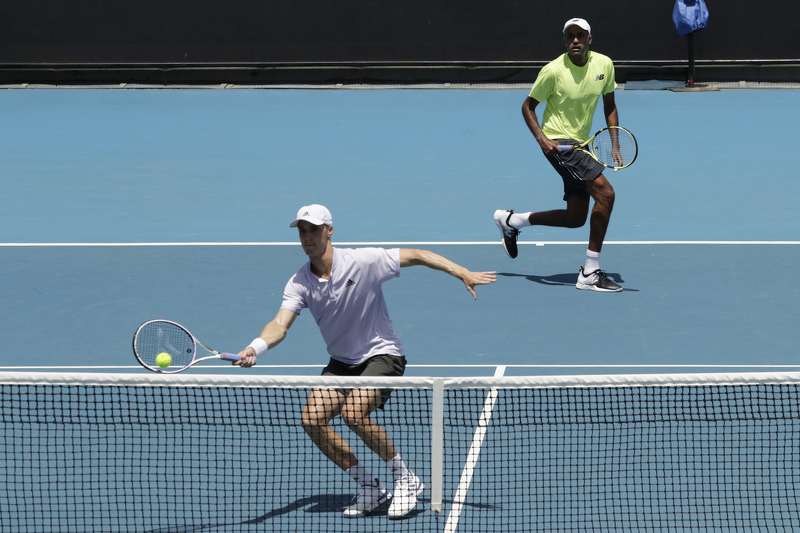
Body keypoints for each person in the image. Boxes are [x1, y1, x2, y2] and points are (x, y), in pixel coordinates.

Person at [235, 204, 497, 519]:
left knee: (353, 413)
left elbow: (416, 254)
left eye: (313, 230)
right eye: (302, 231)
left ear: (329, 231)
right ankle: (370, 486)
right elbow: (280, 324)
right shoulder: (299, 282)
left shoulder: (361, 261)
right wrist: (256, 347)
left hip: (382, 353)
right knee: (312, 420)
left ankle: (407, 480)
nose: (307, 237)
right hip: (341, 362)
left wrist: (461, 272)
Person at [494, 17, 623, 292]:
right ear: (565, 41)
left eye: (580, 35)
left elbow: (609, 104)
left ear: (590, 39)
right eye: (570, 36)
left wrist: (615, 143)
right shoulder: (553, 71)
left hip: (583, 145)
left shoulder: (605, 65)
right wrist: (542, 140)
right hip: (559, 144)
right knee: (606, 195)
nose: (575, 40)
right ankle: (590, 272)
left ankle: (512, 220)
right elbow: (528, 107)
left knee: (575, 218)